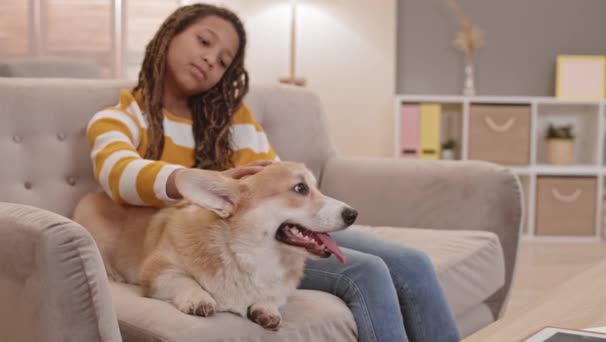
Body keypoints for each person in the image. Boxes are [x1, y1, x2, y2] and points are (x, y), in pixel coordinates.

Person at [86, 4, 460, 342]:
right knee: (368, 272)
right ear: (169, 35)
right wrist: (189, 181)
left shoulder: (234, 121)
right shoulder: (119, 117)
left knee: (413, 263)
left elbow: (277, 180)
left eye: (223, 61)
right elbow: (117, 172)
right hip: (225, 249)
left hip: (271, 236)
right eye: (203, 41)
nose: (210, 60)